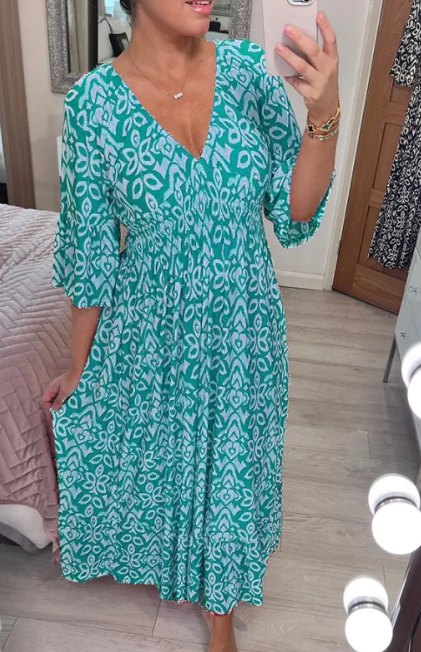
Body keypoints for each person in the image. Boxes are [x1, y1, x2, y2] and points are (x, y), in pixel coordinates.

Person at [43, 1, 339, 650]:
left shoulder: (249, 75)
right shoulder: (93, 105)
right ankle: (181, 568)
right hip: (153, 330)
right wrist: (77, 368)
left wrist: (324, 114)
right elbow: (91, 256)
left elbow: (295, 212)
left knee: (231, 465)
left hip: (242, 328)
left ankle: (220, 609)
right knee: (170, 459)